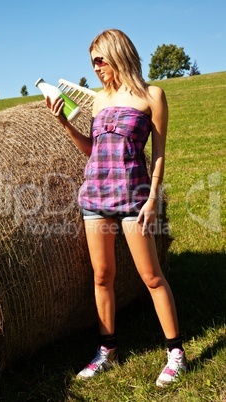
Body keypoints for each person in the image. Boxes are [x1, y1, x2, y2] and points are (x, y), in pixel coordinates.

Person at [45, 28, 187, 387]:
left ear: (117, 54)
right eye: (91, 61)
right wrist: (65, 122)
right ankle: (107, 351)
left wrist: (154, 198)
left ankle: (176, 353)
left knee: (151, 276)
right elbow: (93, 151)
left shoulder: (152, 96)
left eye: (99, 59)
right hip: (95, 197)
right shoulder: (98, 101)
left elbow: (158, 155)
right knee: (102, 276)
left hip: (133, 197)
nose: (95, 67)